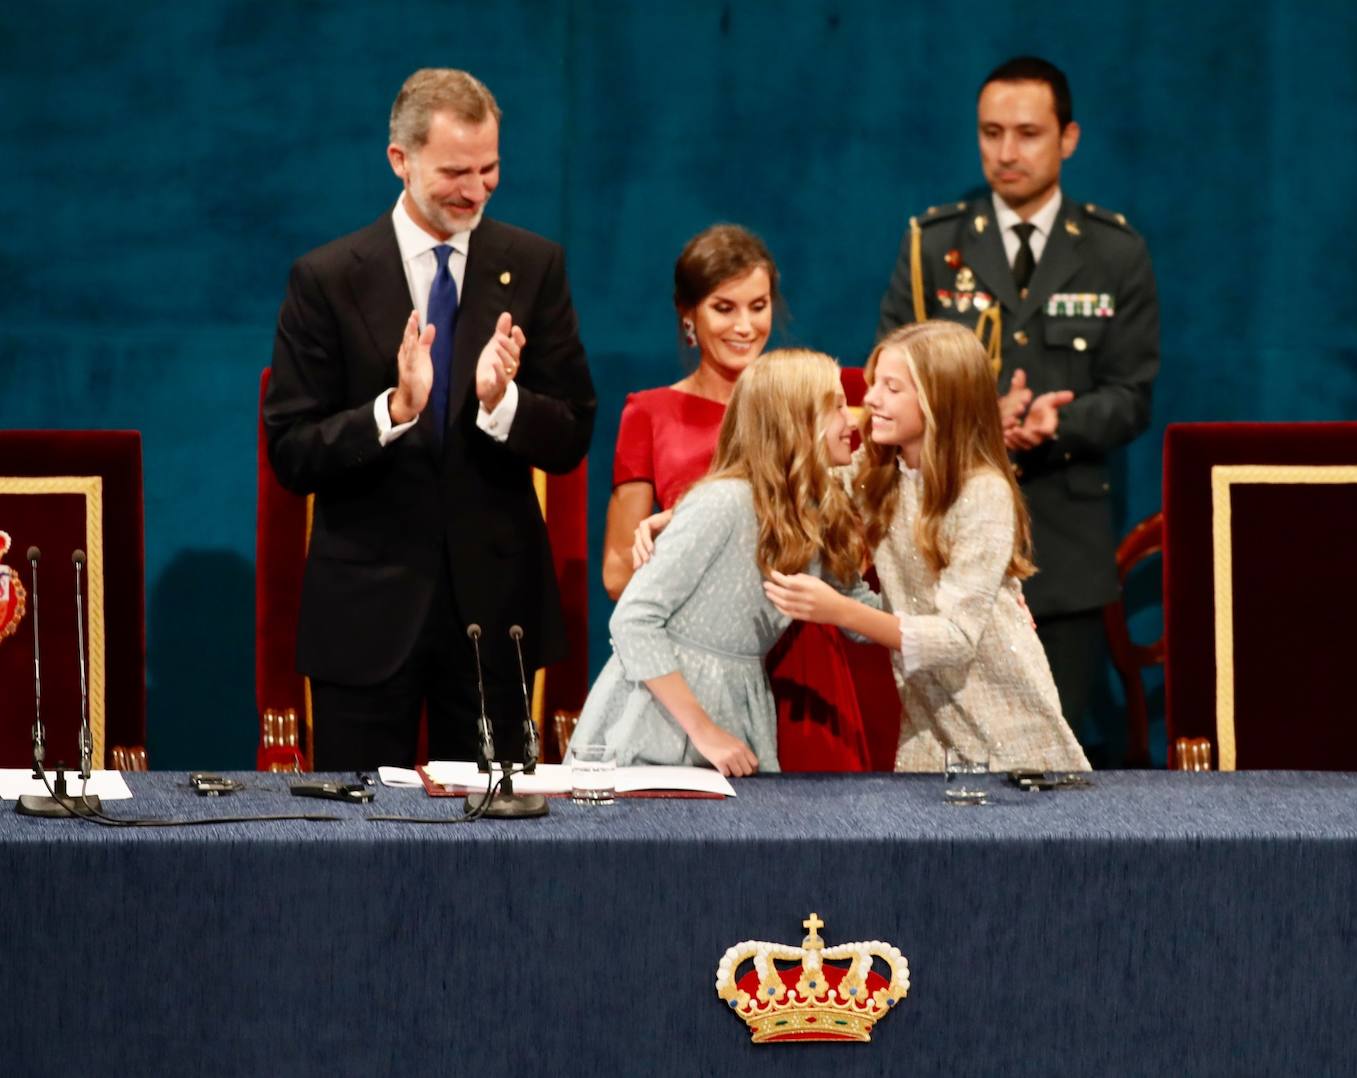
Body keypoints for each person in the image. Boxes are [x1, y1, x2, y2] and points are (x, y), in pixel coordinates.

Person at [264, 68, 596, 770]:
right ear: (400, 161)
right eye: (454, 172)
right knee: (360, 844)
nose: (475, 190)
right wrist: (393, 410)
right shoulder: (326, 279)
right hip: (365, 615)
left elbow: (573, 432)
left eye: (490, 168)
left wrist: (501, 404)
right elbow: (291, 451)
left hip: (495, 615)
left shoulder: (534, 267)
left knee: (492, 852)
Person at [875, 56, 1159, 751]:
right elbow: (885, 375)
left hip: (1061, 543)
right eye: (991, 132)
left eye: (1028, 133)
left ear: (1068, 138)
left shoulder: (1113, 252)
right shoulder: (933, 244)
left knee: (1045, 761)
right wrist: (972, 421)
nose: (1006, 152)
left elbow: (1132, 396)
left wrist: (1057, 422)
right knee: (939, 765)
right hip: (939, 545)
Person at [602, 224, 900, 771]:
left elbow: (852, 568)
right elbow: (627, 584)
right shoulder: (654, 417)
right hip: (699, 669)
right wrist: (689, 533)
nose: (745, 326)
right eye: (724, 308)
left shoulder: (808, 396)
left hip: (805, 650)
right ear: (688, 314)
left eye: (758, 306)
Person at [765, 322, 1089, 773]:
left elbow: (955, 637)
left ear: (941, 402)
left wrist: (839, 610)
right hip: (928, 723)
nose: (872, 397)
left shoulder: (982, 492)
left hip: (1004, 717)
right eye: (875, 382)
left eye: (892, 387)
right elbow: (800, 489)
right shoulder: (878, 472)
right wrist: (678, 515)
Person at [569, 350, 867, 777]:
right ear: (796, 420)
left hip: (741, 708)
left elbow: (863, 616)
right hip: (659, 724)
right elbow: (633, 620)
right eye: (835, 406)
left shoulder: (817, 512)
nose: (851, 420)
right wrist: (705, 731)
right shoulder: (722, 501)